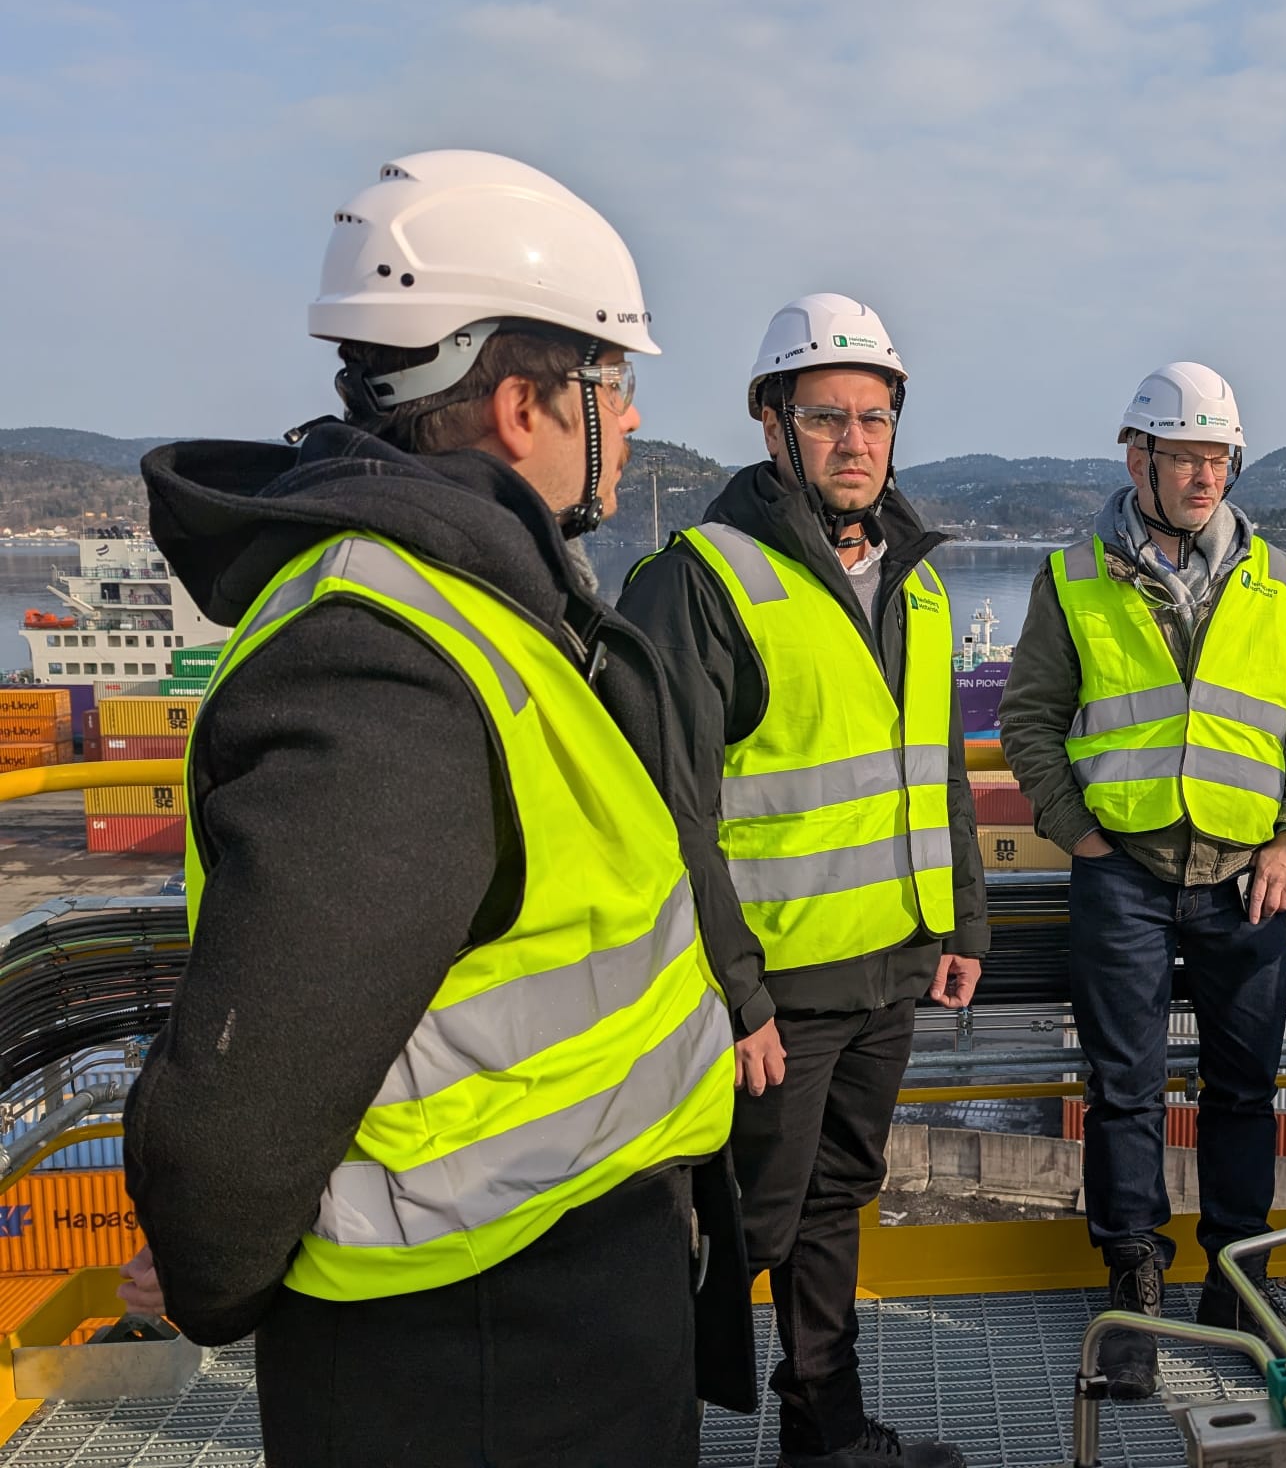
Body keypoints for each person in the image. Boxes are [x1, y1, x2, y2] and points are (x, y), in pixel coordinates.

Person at [120, 150, 749, 1464]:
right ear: (525, 406)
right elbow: (253, 1072)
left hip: (556, 1312)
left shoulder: (481, 606)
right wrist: (209, 1269)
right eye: (612, 386)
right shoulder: (382, 656)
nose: (626, 423)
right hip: (473, 1361)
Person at [618, 293, 989, 1468]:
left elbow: (936, 771)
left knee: (836, 1203)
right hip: (774, 990)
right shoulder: (704, 582)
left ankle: (823, 1430)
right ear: (772, 425)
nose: (855, 440)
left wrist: (962, 915)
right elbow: (671, 812)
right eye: (826, 416)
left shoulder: (917, 583)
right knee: (731, 1226)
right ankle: (641, 1435)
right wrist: (735, 993)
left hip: (890, 964)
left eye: (874, 417)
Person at [999, 361, 1286, 1399]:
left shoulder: (1274, 578)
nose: (1204, 474)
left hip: (1246, 880)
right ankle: (1135, 1280)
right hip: (1126, 875)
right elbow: (1029, 723)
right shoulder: (1074, 578)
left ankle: (1240, 1277)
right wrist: (1081, 838)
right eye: (1185, 455)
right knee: (1124, 1091)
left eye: (1218, 456)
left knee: (1245, 1090)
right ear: (1136, 456)